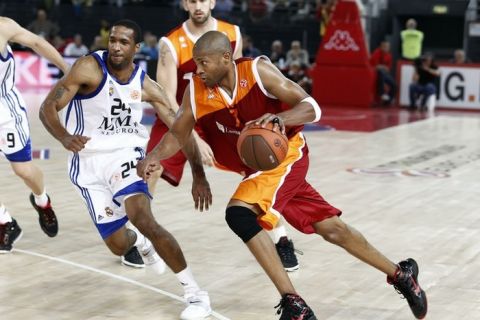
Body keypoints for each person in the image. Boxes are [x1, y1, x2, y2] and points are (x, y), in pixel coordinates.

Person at [138, 31, 428, 320]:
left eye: (203, 63)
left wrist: (281, 118)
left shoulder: (257, 71)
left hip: (287, 154)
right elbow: (179, 133)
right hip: (259, 168)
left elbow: (311, 107)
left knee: (239, 214)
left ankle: (295, 306)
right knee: (333, 229)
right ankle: (402, 275)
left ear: (226, 58)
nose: (198, 70)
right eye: (196, 63)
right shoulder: (197, 90)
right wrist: (156, 157)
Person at [39, 20, 212, 320]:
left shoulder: (146, 85)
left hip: (127, 156)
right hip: (87, 163)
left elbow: (180, 128)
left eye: (123, 42)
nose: (116, 46)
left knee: (143, 217)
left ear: (136, 48)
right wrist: (64, 137)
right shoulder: (88, 68)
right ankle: (141, 244)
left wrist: (198, 173)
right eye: (113, 40)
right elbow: (47, 108)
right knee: (118, 246)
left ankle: (196, 295)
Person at [150, 0, 300, 271]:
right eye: (192, 0)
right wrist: (193, 138)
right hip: (184, 113)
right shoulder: (170, 43)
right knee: (151, 167)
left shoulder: (232, 33)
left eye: (202, 0)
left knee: (257, 168)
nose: (197, 5)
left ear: (213, 2)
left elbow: (238, 79)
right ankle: (142, 236)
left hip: (221, 112)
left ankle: (282, 239)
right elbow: (165, 98)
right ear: (185, 4)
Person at [0, 16, 66, 253]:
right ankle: (6, 223)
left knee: (23, 170)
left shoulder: (3, 26)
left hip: (5, 112)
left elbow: (37, 43)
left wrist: (67, 70)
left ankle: (42, 200)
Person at [370, 40, 396, 105]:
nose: (386, 48)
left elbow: (388, 68)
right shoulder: (376, 53)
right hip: (375, 73)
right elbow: (376, 66)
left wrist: (382, 67)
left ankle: (388, 101)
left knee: (394, 85)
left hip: (385, 73)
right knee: (381, 72)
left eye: (387, 47)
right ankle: (381, 93)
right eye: (384, 46)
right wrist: (383, 67)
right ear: (381, 47)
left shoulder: (389, 55)